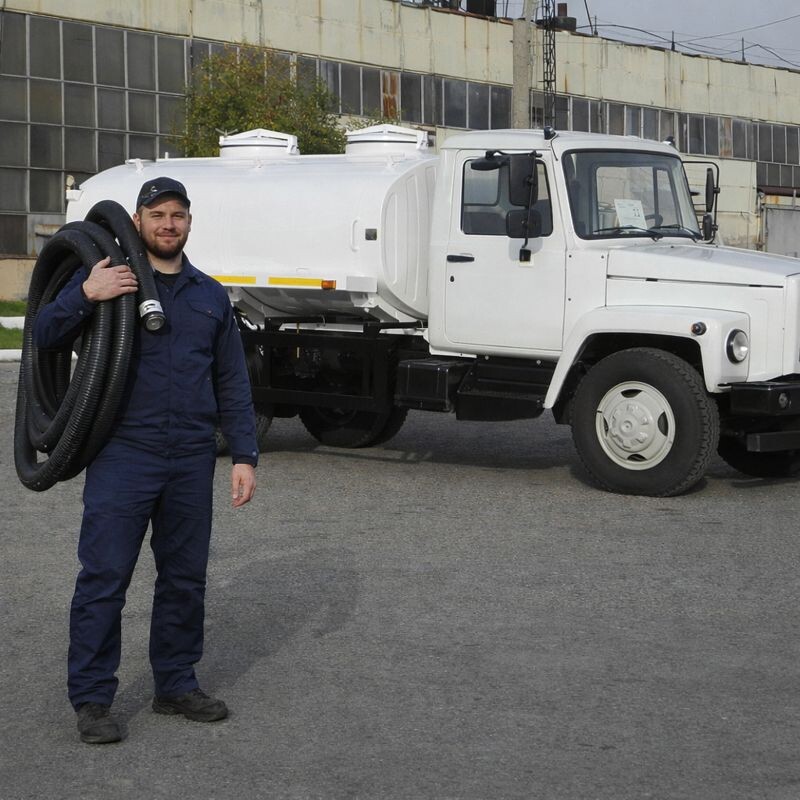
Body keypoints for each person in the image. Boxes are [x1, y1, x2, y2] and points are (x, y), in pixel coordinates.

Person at [33, 177, 258, 744]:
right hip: (123, 454)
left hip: (189, 458)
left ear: (189, 222)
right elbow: (44, 335)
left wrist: (245, 454)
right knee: (105, 578)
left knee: (184, 579)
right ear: (137, 221)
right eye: (156, 214)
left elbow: (231, 379)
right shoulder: (113, 282)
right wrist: (85, 293)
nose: (167, 224)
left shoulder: (209, 295)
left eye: (177, 214)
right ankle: (92, 700)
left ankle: (175, 683)